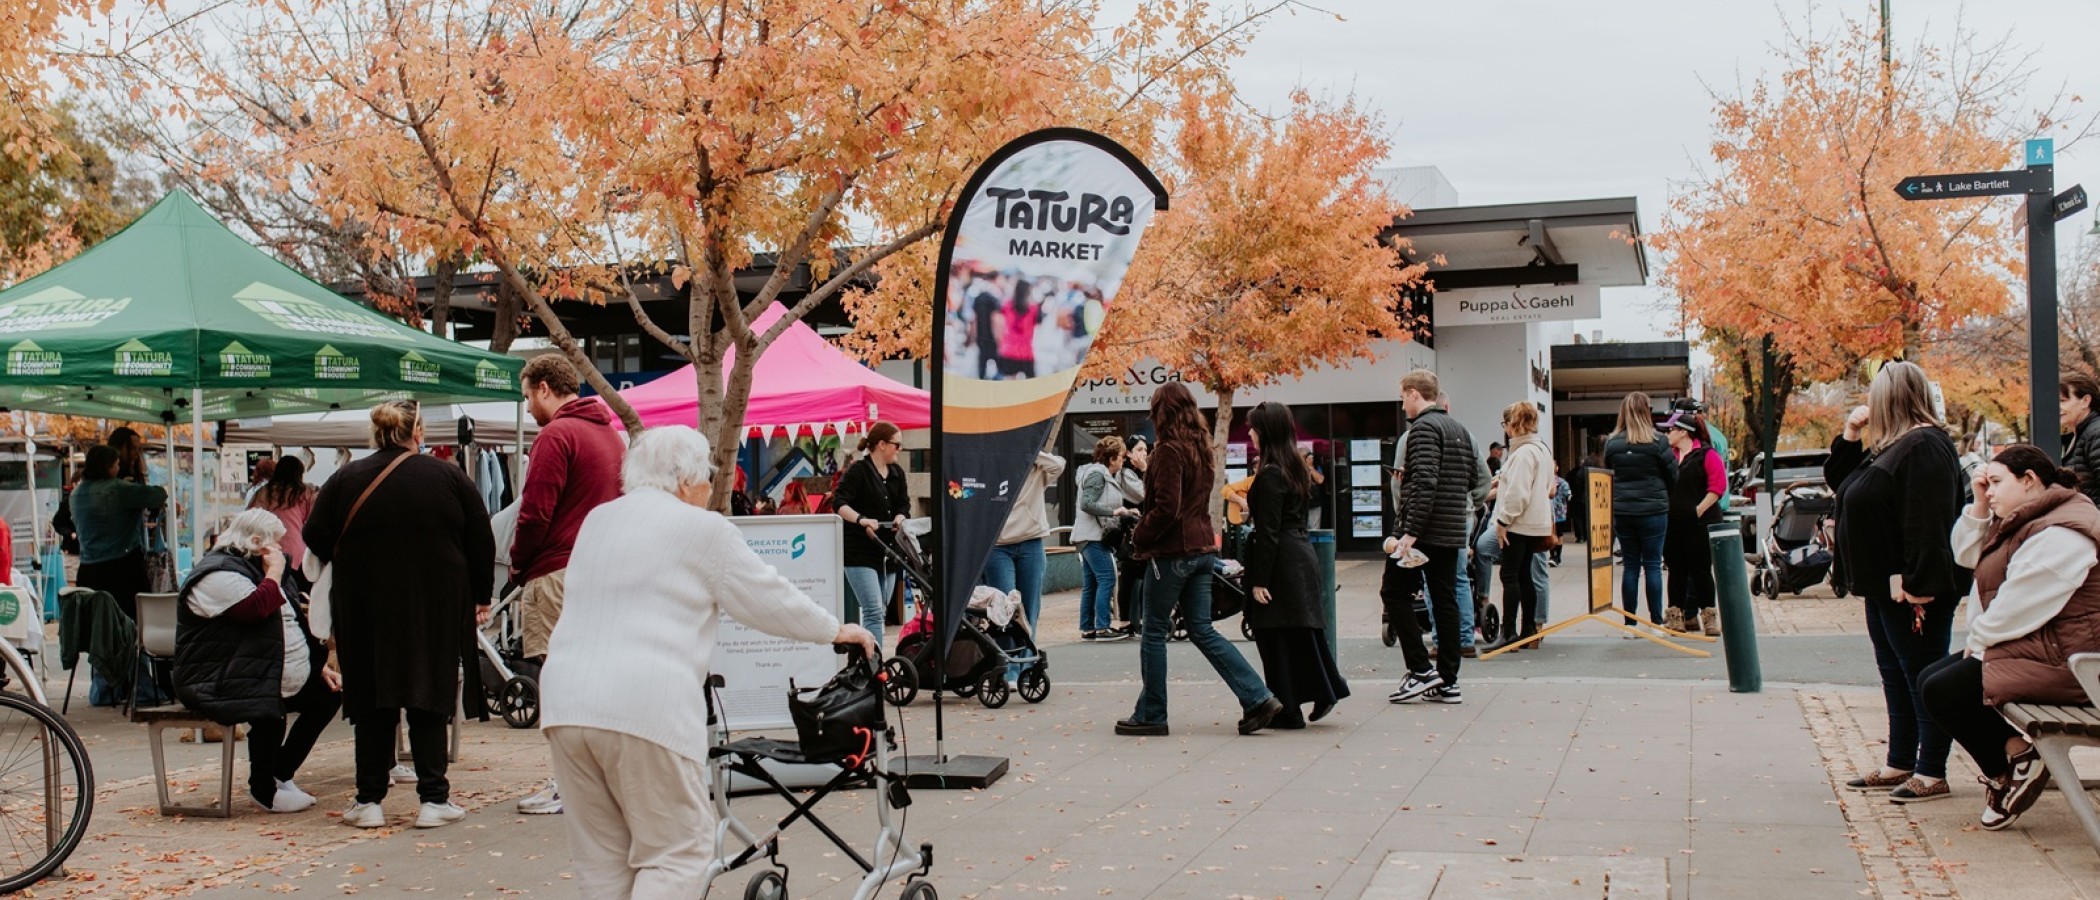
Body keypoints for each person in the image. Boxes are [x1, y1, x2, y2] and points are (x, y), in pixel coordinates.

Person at [539, 425, 877, 897]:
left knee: (603, 863)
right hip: (644, 704)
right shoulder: (702, 529)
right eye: (705, 479)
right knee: (678, 852)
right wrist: (835, 629)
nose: (708, 489)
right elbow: (766, 597)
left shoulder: (599, 520)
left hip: (566, 702)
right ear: (683, 480)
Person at [305, 400, 496, 830]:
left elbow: (314, 533)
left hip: (364, 602)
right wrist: (480, 595)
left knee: (372, 697)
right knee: (429, 692)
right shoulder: (448, 476)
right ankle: (433, 799)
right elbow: (480, 534)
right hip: (434, 602)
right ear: (418, 432)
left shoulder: (345, 478)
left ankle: (369, 800)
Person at [1924, 444, 2100, 830]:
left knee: (1945, 689)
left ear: (2029, 480)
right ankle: (2019, 757)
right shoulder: (2030, 519)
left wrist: (1981, 640)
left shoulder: (2063, 531)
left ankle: (2011, 771)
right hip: (2055, 651)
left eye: (1997, 483)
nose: (1990, 491)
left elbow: (2022, 603)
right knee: (1931, 681)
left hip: (2078, 667)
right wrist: (1980, 505)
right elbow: (1966, 554)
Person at [1825, 361, 1965, 804]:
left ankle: (1931, 770)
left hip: (1910, 588)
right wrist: (1849, 435)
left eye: (1874, 395)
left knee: (1921, 675)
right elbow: (1842, 484)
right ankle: (1901, 759)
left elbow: (1929, 519)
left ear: (1890, 399)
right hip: (1880, 585)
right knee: (1895, 674)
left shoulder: (1923, 445)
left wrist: (1919, 581)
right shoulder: (1892, 446)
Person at [1117, 382, 1282, 736]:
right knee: (1202, 630)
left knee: (1154, 632)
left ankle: (1152, 712)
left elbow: (1166, 508)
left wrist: (1139, 534)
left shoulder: (1168, 451)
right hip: (1203, 549)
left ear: (1161, 413)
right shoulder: (1201, 449)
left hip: (1172, 554)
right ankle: (1257, 697)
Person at [507, 355, 626, 817]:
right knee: (594, 680)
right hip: (600, 569)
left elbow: (535, 512)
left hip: (557, 569)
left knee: (560, 683)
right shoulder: (608, 434)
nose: (528, 407)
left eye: (527, 397)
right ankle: (593, 781)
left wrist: (518, 565)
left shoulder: (556, 435)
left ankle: (568, 783)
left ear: (542, 388)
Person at [171, 509, 341, 814]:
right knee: (267, 706)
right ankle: (263, 790)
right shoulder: (217, 574)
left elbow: (286, 621)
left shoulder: (253, 568)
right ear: (256, 541)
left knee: (326, 696)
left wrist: (317, 667)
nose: (279, 550)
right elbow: (258, 608)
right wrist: (274, 571)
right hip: (215, 676)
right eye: (274, 543)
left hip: (251, 669)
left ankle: (280, 773)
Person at [1243, 402, 1349, 729]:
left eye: (1254, 428)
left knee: (1274, 634)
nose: (1249, 433)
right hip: (1299, 553)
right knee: (1299, 632)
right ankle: (1314, 694)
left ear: (1266, 431)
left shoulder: (1272, 473)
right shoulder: (1294, 468)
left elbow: (1269, 531)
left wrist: (1259, 579)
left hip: (1281, 559)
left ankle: (1290, 707)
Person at [1385, 369, 1480, 704]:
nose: (1402, 408)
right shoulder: (1460, 429)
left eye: (1402, 399)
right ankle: (1448, 681)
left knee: (1393, 593)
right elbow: (1474, 479)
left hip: (1422, 531)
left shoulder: (1423, 429)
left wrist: (1409, 532)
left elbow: (1424, 481)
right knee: (1445, 600)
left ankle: (1421, 670)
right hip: (1452, 529)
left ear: (1414, 394)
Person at [986, 448, 1065, 680]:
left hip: (1031, 542)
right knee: (1005, 612)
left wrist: (1029, 451)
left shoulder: (1038, 466)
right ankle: (1008, 670)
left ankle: (1028, 668)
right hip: (998, 545)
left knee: (1030, 610)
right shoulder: (993, 464)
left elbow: (1059, 465)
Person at [68, 445, 167, 623]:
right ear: (107, 466)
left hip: (88, 570)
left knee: (98, 628)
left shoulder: (76, 494)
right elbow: (157, 496)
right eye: (116, 464)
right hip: (122, 570)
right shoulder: (119, 489)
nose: (118, 468)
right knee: (129, 626)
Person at [832, 422, 909, 649]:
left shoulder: (897, 473)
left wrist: (900, 517)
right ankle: (874, 664)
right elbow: (839, 502)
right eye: (897, 444)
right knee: (874, 610)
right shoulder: (858, 471)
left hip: (888, 552)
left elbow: (904, 505)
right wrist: (860, 519)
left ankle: (864, 656)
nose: (900, 449)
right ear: (882, 445)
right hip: (861, 552)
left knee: (880, 609)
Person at [1603, 392, 1677, 628]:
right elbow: (1672, 475)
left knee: (1631, 565)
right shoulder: (1658, 441)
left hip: (1623, 510)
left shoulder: (1612, 443)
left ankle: (1630, 622)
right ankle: (1656, 621)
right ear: (1646, 411)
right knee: (1653, 565)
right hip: (1654, 509)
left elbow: (1608, 471)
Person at [1492, 402, 1554, 647]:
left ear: (1512, 424)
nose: (1505, 429)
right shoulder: (1541, 449)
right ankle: (1528, 627)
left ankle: (1508, 633)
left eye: (1505, 424)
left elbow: (1518, 493)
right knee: (1525, 574)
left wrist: (1503, 520)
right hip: (1536, 522)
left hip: (1519, 523)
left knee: (1510, 575)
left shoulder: (1522, 454)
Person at [1662, 412, 1725, 636]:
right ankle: (1676, 615)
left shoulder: (1706, 454)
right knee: (1676, 570)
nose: (1667, 434)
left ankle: (1708, 617)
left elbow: (1717, 487)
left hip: (1701, 522)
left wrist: (1698, 510)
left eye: (1670, 430)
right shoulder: (1669, 455)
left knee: (1701, 570)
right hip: (1674, 523)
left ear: (1683, 432)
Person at [1073, 437, 1138, 642]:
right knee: (1107, 579)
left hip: (1088, 536)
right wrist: (1114, 511)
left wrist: (1124, 511)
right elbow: (1087, 504)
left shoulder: (1102, 474)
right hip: (1092, 537)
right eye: (1121, 457)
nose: (1123, 461)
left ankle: (1088, 627)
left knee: (1091, 583)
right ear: (1111, 459)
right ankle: (1102, 627)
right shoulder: (1097, 475)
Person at [248, 456, 317, 595]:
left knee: (270, 591)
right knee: (297, 594)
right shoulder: (305, 493)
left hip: (267, 549)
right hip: (297, 552)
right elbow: (313, 522)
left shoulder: (263, 492)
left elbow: (250, 518)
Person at [1111, 436, 1151, 634]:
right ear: (1128, 453)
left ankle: (1135, 619)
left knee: (1138, 575)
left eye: (1145, 450)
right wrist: (1146, 470)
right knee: (1131, 575)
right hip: (1131, 532)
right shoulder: (1126, 473)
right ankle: (1129, 621)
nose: (1144, 453)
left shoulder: (1135, 472)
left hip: (1140, 530)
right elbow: (1146, 494)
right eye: (1140, 449)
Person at [2058, 374, 2100, 506]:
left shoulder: (2095, 433)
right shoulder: (2080, 435)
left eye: (2063, 401)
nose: (2057, 407)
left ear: (2085, 401)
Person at [1548, 469, 1572, 566]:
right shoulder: (1546, 480)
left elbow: (1568, 495)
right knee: (1552, 533)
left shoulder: (1562, 482)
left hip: (1558, 512)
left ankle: (1556, 556)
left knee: (1557, 533)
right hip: (1552, 511)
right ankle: (1553, 556)